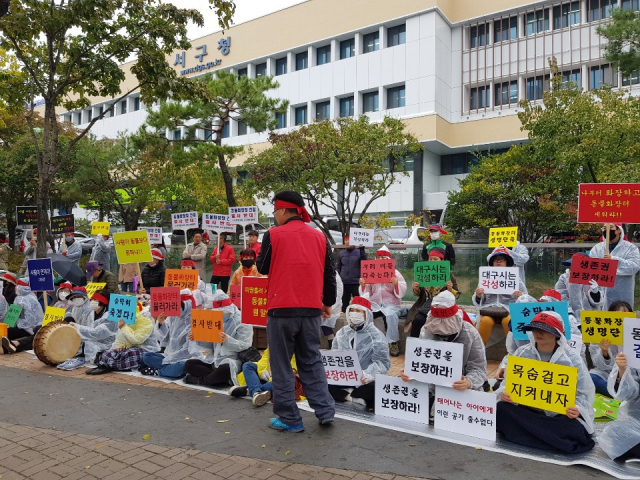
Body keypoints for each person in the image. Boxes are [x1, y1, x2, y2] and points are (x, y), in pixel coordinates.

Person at [256, 190, 337, 432]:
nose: (274, 217)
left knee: (281, 364)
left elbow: (262, 267)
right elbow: (329, 273)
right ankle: (325, 410)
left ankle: (290, 419)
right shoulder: (320, 237)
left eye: (274, 212)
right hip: (311, 310)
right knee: (311, 360)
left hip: (281, 311)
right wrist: (328, 302)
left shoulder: (273, 234)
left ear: (282, 210)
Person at [495, 311, 595, 454]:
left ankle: (526, 434)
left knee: (573, 427)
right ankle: (548, 439)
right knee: (502, 409)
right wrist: (505, 395)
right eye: (535, 329)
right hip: (528, 409)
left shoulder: (572, 359)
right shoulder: (522, 353)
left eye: (544, 330)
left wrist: (577, 409)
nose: (538, 333)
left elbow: (584, 392)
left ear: (556, 334)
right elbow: (508, 383)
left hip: (558, 415)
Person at [402, 291, 487, 393]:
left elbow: (478, 368)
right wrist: (410, 373)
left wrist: (468, 382)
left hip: (461, 390)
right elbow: (421, 362)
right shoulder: (426, 330)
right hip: (431, 388)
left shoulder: (469, 333)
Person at [329, 295, 391, 409]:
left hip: (364, 379)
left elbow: (382, 363)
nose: (354, 313)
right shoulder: (342, 332)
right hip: (344, 376)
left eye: (358, 310)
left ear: (366, 314)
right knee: (320, 382)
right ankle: (350, 397)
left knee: (376, 389)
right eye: (352, 310)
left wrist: (367, 374)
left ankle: (344, 393)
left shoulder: (376, 336)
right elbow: (334, 356)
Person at [184, 291, 253, 386]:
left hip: (233, 360)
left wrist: (227, 340)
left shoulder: (243, 321)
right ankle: (217, 379)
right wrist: (197, 338)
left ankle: (202, 380)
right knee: (189, 364)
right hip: (215, 359)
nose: (220, 315)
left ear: (229, 309)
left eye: (222, 312)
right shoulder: (216, 319)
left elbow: (245, 345)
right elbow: (210, 345)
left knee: (225, 370)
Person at [140, 290, 202, 379]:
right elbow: (164, 337)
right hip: (169, 355)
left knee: (182, 366)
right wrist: (161, 323)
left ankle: (158, 371)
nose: (178, 307)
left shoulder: (195, 319)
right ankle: (166, 369)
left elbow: (189, 350)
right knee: (147, 356)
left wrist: (193, 339)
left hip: (184, 358)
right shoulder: (173, 317)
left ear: (187, 304)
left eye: (180, 305)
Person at [358, 245, 407, 357]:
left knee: (391, 316)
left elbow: (403, 288)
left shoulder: (395, 273)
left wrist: (396, 284)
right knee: (366, 315)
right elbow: (366, 292)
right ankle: (367, 342)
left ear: (388, 259)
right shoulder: (371, 271)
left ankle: (393, 342)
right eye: (379, 258)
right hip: (375, 304)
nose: (381, 260)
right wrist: (363, 285)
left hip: (391, 304)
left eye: (384, 258)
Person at [473, 246, 526, 346]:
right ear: (492, 263)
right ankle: (478, 350)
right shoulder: (486, 277)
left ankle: (514, 350)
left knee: (508, 321)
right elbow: (477, 300)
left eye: (502, 260)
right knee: (486, 321)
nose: (498, 262)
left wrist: (521, 296)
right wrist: (478, 295)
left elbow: (526, 299)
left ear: (507, 263)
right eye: (496, 260)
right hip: (488, 309)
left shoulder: (515, 278)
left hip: (509, 310)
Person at [405, 247, 460, 339]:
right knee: (418, 320)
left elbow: (457, 294)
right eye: (430, 259)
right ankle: (414, 346)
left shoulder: (448, 274)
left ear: (442, 260)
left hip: (442, 307)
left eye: (435, 259)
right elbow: (419, 294)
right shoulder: (424, 272)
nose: (432, 261)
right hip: (424, 306)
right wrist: (416, 288)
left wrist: (450, 290)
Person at [56, 290, 117, 370]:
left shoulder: (109, 317)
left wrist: (78, 327)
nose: (92, 302)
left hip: (106, 344)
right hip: (93, 340)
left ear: (102, 302)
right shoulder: (92, 313)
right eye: (92, 299)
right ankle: (74, 357)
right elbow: (88, 328)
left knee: (86, 344)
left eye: (95, 300)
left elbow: (97, 333)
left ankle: (80, 358)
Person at [86, 308, 160, 375]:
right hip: (129, 347)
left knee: (129, 354)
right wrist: (118, 347)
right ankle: (106, 365)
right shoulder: (126, 320)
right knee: (108, 353)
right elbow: (120, 338)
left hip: (145, 349)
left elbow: (137, 340)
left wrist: (124, 327)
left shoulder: (145, 321)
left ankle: (109, 365)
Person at [598, 352, 640, 461]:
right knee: (615, 433)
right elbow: (630, 392)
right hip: (636, 420)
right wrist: (623, 371)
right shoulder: (635, 351)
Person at [588, 300, 633, 398]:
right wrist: (604, 352)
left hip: (629, 376)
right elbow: (598, 364)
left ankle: (624, 394)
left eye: (627, 316)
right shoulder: (599, 332)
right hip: (605, 375)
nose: (622, 320)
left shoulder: (635, 334)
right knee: (591, 378)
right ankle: (621, 395)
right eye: (619, 316)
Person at [589, 223, 640, 307]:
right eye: (604, 228)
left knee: (620, 316)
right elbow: (591, 267)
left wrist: (613, 260)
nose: (607, 230)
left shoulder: (630, 248)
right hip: (599, 292)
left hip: (622, 293)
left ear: (619, 230)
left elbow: (634, 267)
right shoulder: (597, 248)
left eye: (610, 227)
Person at [228, 348, 300, 407]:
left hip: (282, 377)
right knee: (248, 365)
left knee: (287, 382)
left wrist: (275, 372)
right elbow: (265, 357)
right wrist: (263, 370)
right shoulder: (277, 339)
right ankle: (257, 391)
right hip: (267, 371)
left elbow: (294, 367)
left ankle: (252, 390)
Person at [555, 252, 605, 318]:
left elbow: (599, 303)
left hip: (590, 319)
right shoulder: (564, 278)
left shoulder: (594, 279)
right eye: (573, 264)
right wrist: (568, 312)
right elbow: (561, 296)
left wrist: (595, 293)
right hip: (571, 318)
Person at [337, 235, 367, 312]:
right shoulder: (341, 254)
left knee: (358, 300)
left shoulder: (359, 252)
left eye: (349, 240)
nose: (347, 242)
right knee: (344, 300)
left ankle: (359, 314)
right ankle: (344, 313)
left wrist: (362, 250)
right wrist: (338, 277)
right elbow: (339, 267)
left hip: (356, 281)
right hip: (344, 282)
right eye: (346, 240)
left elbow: (364, 263)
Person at [321, 273, 343, 347]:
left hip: (332, 305)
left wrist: (330, 305)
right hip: (318, 303)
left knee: (324, 318)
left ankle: (331, 338)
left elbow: (339, 292)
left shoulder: (333, 273)